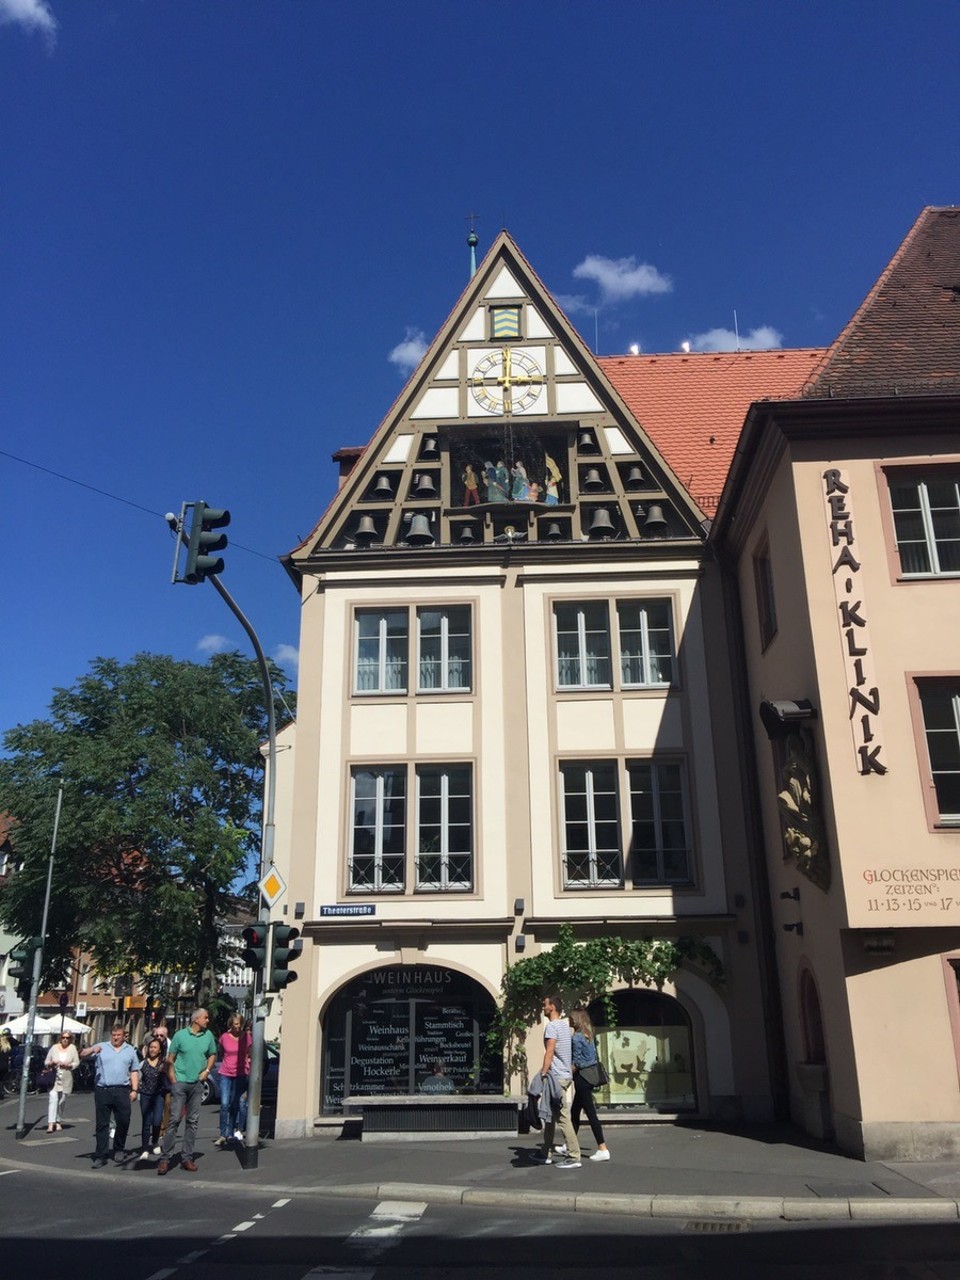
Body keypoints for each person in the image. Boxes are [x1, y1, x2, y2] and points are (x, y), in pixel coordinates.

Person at [157, 1007, 216, 1175]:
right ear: (196, 1019)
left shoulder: (208, 1036)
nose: (207, 1020)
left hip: (197, 1083)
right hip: (181, 1082)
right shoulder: (180, 1035)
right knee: (174, 1120)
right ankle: (165, 1159)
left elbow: (213, 1054)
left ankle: (187, 1157)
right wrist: (173, 1080)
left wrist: (207, 1071)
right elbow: (171, 1059)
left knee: (193, 1121)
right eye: (205, 1017)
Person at [80, 1023, 140, 1168]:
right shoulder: (102, 1046)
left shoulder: (130, 1050)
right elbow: (82, 1054)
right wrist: (92, 1049)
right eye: (113, 1035)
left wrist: (134, 1090)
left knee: (124, 1120)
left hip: (122, 1090)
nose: (115, 1038)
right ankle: (101, 1155)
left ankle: (119, 1148)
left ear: (124, 1035)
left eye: (118, 1035)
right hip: (103, 1089)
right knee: (102, 1124)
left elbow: (134, 1071)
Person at [531, 993, 581, 1169]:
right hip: (564, 1074)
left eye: (545, 1005)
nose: (543, 1008)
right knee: (551, 1116)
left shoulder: (552, 1027)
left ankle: (574, 1156)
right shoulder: (565, 1026)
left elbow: (550, 1052)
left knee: (562, 1116)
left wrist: (543, 1073)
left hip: (556, 1077)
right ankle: (545, 1152)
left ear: (552, 1007)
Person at [569, 1008, 611, 1161]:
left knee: (591, 1114)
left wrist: (568, 1072)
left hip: (582, 1078)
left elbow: (577, 1061)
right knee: (574, 1111)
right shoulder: (589, 1035)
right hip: (591, 1076)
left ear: (576, 1020)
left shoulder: (577, 1037)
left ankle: (602, 1147)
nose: (569, 1021)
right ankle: (570, 1143)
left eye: (571, 1018)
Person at [215, 1013, 250, 1147]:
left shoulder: (247, 1037)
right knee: (224, 1103)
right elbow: (222, 1052)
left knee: (235, 1103)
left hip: (240, 1073)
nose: (238, 1026)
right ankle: (222, 1134)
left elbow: (248, 1053)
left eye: (240, 1023)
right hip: (226, 1072)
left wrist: (247, 1068)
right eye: (236, 1024)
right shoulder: (224, 1037)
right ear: (231, 1024)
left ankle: (230, 1133)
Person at [136, 1035, 168, 1160]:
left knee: (156, 1121)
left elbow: (169, 1077)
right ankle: (145, 1148)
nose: (152, 1049)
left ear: (160, 1050)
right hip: (145, 1095)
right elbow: (137, 1077)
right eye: (151, 1047)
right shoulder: (143, 1063)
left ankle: (154, 1142)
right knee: (146, 1122)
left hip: (159, 1095)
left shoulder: (163, 1063)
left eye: (155, 1047)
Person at [44, 1029, 80, 1132]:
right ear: (60, 1038)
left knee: (62, 1101)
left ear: (70, 1039)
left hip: (66, 1078)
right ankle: (51, 1124)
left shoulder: (72, 1048)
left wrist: (68, 1065)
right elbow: (46, 1061)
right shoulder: (54, 1048)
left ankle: (58, 1121)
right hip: (53, 1078)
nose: (65, 1040)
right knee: (53, 1099)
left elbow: (76, 1062)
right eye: (63, 1037)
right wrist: (51, 1063)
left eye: (67, 1038)